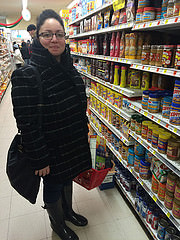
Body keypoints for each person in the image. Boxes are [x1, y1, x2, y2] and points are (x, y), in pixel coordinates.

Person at [10, 9, 92, 240]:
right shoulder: (27, 74)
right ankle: (58, 224)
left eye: (59, 34)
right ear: (38, 38)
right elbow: (26, 123)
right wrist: (39, 158)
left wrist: (84, 129)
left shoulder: (69, 66)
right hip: (50, 148)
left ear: (65, 38)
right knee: (54, 185)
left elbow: (78, 104)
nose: (54, 39)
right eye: (47, 34)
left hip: (72, 141)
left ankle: (68, 212)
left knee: (69, 176)